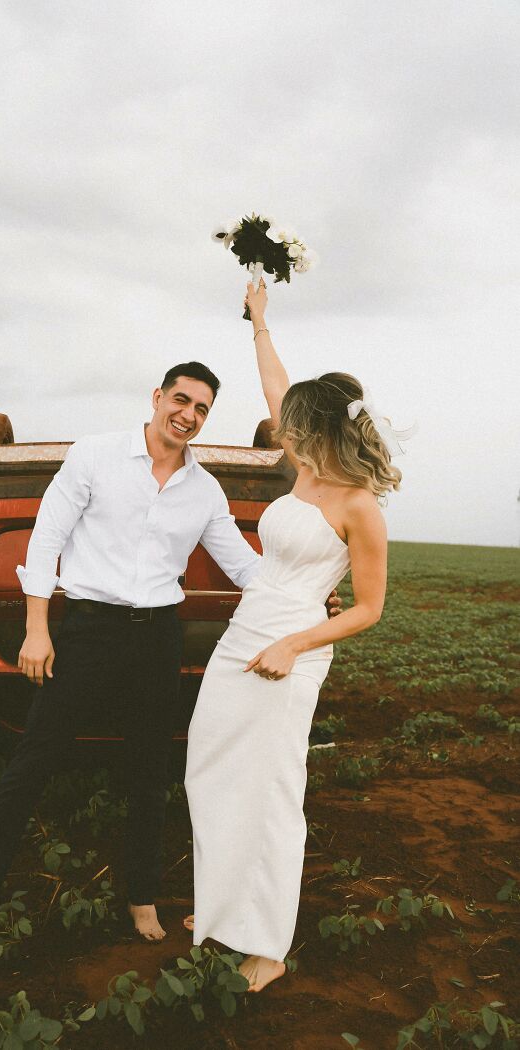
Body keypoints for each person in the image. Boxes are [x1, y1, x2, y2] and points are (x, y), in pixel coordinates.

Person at [0, 360, 343, 952]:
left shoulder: (204, 491)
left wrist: (311, 589)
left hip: (156, 638)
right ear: (157, 397)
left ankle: (141, 899)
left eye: (201, 409)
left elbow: (245, 567)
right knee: (30, 767)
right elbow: (47, 537)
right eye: (181, 401)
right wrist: (37, 627)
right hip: (87, 632)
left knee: (150, 776)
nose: (187, 416)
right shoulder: (95, 456)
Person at [184, 278, 403, 992]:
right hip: (244, 630)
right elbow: (276, 383)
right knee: (209, 768)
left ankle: (268, 945)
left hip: (294, 645)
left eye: (295, 426)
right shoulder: (304, 470)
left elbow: (368, 608)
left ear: (322, 428)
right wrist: (260, 321)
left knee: (272, 788)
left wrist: (295, 645)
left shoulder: (360, 506)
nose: (283, 431)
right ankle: (219, 909)